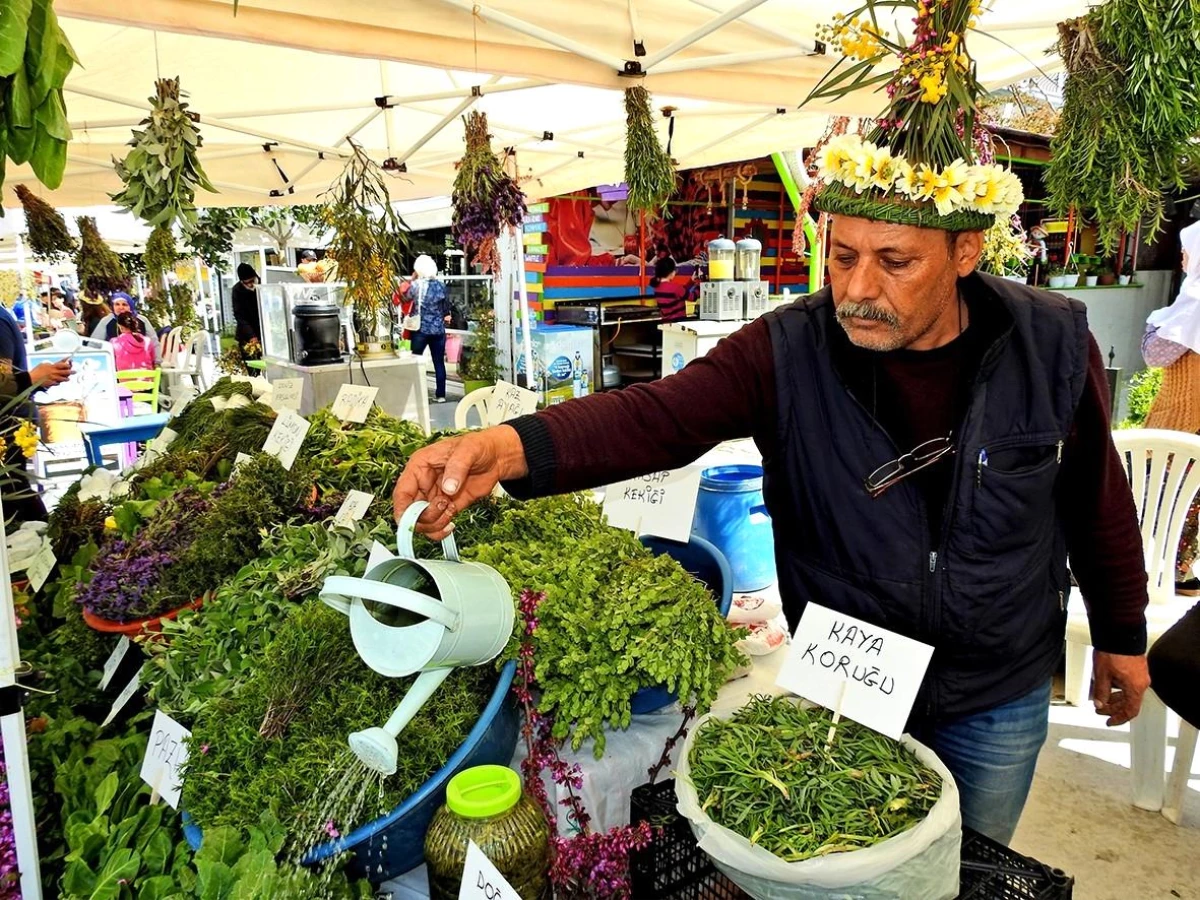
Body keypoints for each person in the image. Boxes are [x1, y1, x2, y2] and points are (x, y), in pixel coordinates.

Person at [391, 6, 1150, 848]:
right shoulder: (789, 349)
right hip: (850, 682)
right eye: (844, 254)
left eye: (896, 262)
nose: (859, 287)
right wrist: (504, 447)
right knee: (851, 857)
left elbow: (1095, 499)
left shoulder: (1048, 341)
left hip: (995, 684)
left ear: (965, 253)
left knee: (972, 862)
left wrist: (1122, 635)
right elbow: (658, 418)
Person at [1141, 221, 1200, 594]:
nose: (1181, 258)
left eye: (1187, 250)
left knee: (1157, 494)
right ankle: (1181, 571)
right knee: (1192, 499)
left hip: (1180, 419)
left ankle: (1155, 568)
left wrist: (1151, 329)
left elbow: (1155, 354)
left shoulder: (1194, 302)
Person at [0, 302, 72, 522]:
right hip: (15, 418)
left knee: (15, 498)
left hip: (10, 424)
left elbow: (3, 381)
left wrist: (31, 379)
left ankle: (50, 547)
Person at [407, 255, 451, 404]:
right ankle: (441, 395)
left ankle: (416, 393)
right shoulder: (441, 286)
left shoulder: (416, 286)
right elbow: (446, 308)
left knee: (416, 362)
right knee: (439, 362)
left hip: (420, 329)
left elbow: (406, 298)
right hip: (438, 329)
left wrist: (412, 279)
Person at [90, 293, 160, 363]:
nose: (121, 307)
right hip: (115, 364)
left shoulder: (142, 320)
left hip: (141, 363)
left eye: (124, 304)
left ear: (130, 306)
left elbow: (153, 342)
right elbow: (95, 343)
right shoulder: (106, 321)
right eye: (117, 304)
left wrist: (157, 361)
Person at [650, 256, 699, 323]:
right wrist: (699, 285)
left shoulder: (656, 288)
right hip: (679, 323)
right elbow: (692, 297)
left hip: (666, 322)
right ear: (671, 272)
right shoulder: (676, 288)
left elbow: (680, 293)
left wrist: (691, 281)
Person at [231, 263, 262, 346]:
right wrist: (251, 335)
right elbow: (239, 315)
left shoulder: (263, 284)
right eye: (246, 283)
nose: (250, 285)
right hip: (246, 332)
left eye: (252, 281)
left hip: (263, 328)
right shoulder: (237, 290)